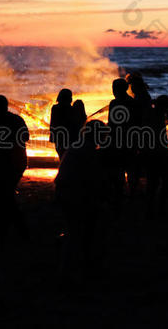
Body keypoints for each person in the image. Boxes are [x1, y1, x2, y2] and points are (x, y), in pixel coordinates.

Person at [55, 120, 109, 281]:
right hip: (74, 194)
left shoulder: (78, 147)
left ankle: (71, 270)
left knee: (75, 232)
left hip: (66, 192)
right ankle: (72, 272)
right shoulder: (88, 151)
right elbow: (91, 179)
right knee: (79, 234)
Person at [0, 95, 30, 242]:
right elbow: (26, 136)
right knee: (5, 196)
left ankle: (11, 229)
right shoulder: (16, 120)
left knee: (2, 197)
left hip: (4, 164)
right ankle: (13, 229)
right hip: (16, 164)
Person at [107, 78, 137, 209]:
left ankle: (121, 192)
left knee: (119, 168)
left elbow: (111, 124)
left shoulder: (114, 103)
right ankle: (131, 193)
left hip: (119, 141)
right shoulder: (132, 102)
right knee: (129, 168)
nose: (113, 91)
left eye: (114, 88)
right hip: (129, 140)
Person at [144, 95, 168, 218]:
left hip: (152, 153)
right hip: (156, 154)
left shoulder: (152, 115)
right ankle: (158, 208)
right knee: (163, 182)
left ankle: (151, 209)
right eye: (167, 108)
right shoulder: (156, 118)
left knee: (153, 182)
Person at [50, 89, 80, 159]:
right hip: (70, 139)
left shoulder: (55, 108)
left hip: (59, 139)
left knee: (62, 157)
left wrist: (53, 137)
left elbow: (53, 125)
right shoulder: (72, 110)